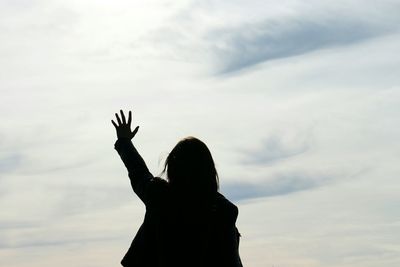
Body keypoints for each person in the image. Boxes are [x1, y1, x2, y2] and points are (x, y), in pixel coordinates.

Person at [112, 110, 243, 267]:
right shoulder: (223, 211)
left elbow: (138, 172)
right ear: (209, 170)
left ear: (173, 169)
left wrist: (124, 141)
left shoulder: (160, 197)